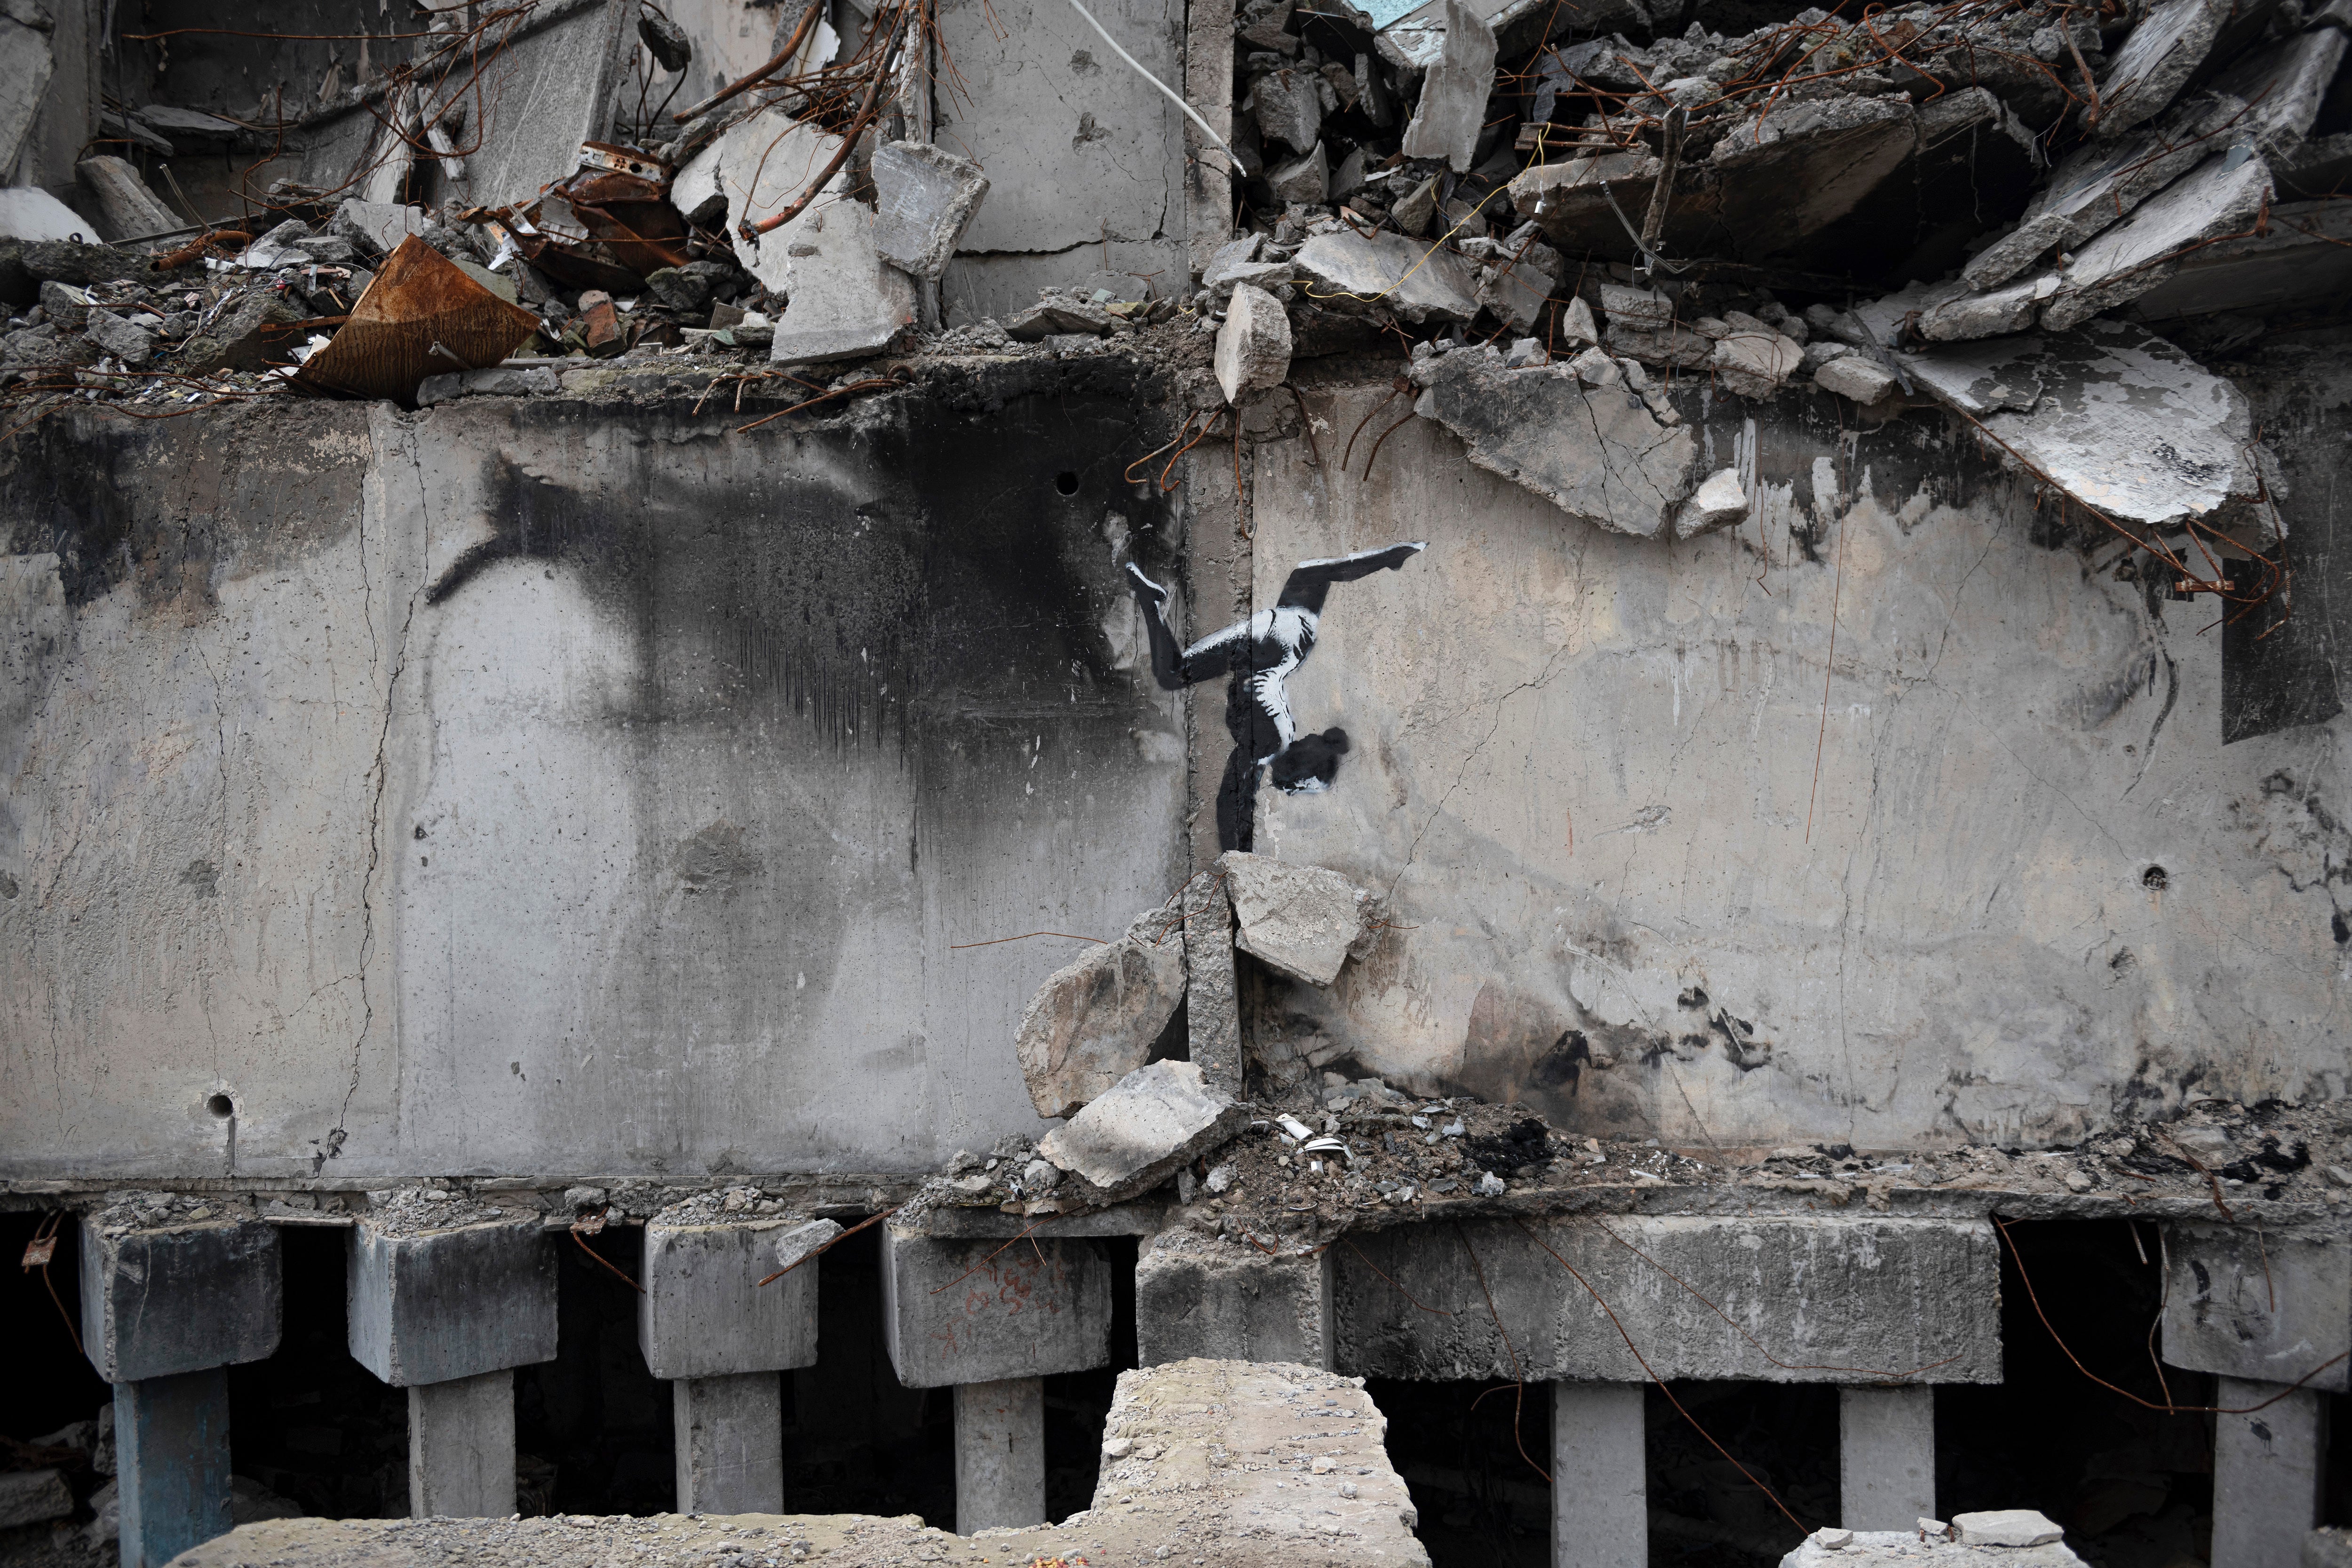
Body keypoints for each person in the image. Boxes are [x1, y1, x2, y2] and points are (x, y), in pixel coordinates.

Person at [1125, 541, 1425, 852]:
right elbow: (1231, 800)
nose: (1292, 792)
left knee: (1309, 574)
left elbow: (1310, 573)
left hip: (1279, 632)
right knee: (1174, 674)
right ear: (1301, 770)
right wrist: (1238, 861)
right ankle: (1152, 604)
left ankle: (1152, 602)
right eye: (1301, 787)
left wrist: (1385, 557)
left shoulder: (1276, 734)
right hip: (1270, 645)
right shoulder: (1269, 744)